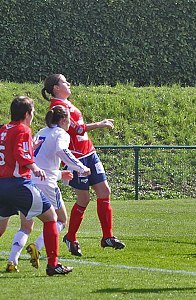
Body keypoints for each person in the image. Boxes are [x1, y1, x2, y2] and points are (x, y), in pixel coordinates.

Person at [41, 74, 125, 256]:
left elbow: (78, 129)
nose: (68, 84)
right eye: (64, 82)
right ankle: (71, 237)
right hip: (77, 158)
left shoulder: (66, 103)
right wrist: (100, 124)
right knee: (84, 199)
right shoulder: (57, 107)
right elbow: (76, 129)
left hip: (89, 153)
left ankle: (107, 237)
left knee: (105, 192)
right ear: (56, 87)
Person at [6, 105, 91, 272]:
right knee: (60, 220)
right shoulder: (61, 134)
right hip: (46, 184)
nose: (70, 124)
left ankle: (12, 260)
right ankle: (38, 247)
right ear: (63, 120)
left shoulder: (42, 132)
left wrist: (60, 174)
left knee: (25, 226)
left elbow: (40, 160)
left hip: (29, 181)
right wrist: (81, 167)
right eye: (69, 120)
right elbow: (62, 150)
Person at [0, 96, 72, 275]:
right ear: (27, 114)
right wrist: (34, 166)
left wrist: (31, 146)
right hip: (18, 184)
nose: (33, 115)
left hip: (2, 184)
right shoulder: (23, 129)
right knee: (51, 218)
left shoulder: (4, 129)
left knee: (2, 228)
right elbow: (19, 153)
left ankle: (15, 258)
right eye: (32, 112)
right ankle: (53, 264)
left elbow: (10, 151)